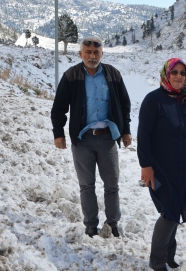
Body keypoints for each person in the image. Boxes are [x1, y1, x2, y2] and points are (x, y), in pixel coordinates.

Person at [51, 36, 132, 238]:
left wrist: (126, 130)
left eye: (96, 52)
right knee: (87, 185)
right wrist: (58, 133)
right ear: (80, 54)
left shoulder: (113, 74)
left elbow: (124, 104)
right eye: (87, 52)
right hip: (83, 139)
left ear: (102, 54)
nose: (92, 56)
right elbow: (59, 107)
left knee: (112, 184)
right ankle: (90, 225)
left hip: (107, 138)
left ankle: (112, 225)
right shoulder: (72, 76)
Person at [137, 58, 186, 271]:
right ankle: (157, 261)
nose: (179, 76)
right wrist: (146, 166)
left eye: (182, 73)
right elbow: (144, 136)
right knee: (169, 211)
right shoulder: (153, 100)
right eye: (174, 72)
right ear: (166, 75)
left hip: (184, 167)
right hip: (160, 168)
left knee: (176, 209)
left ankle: (169, 256)